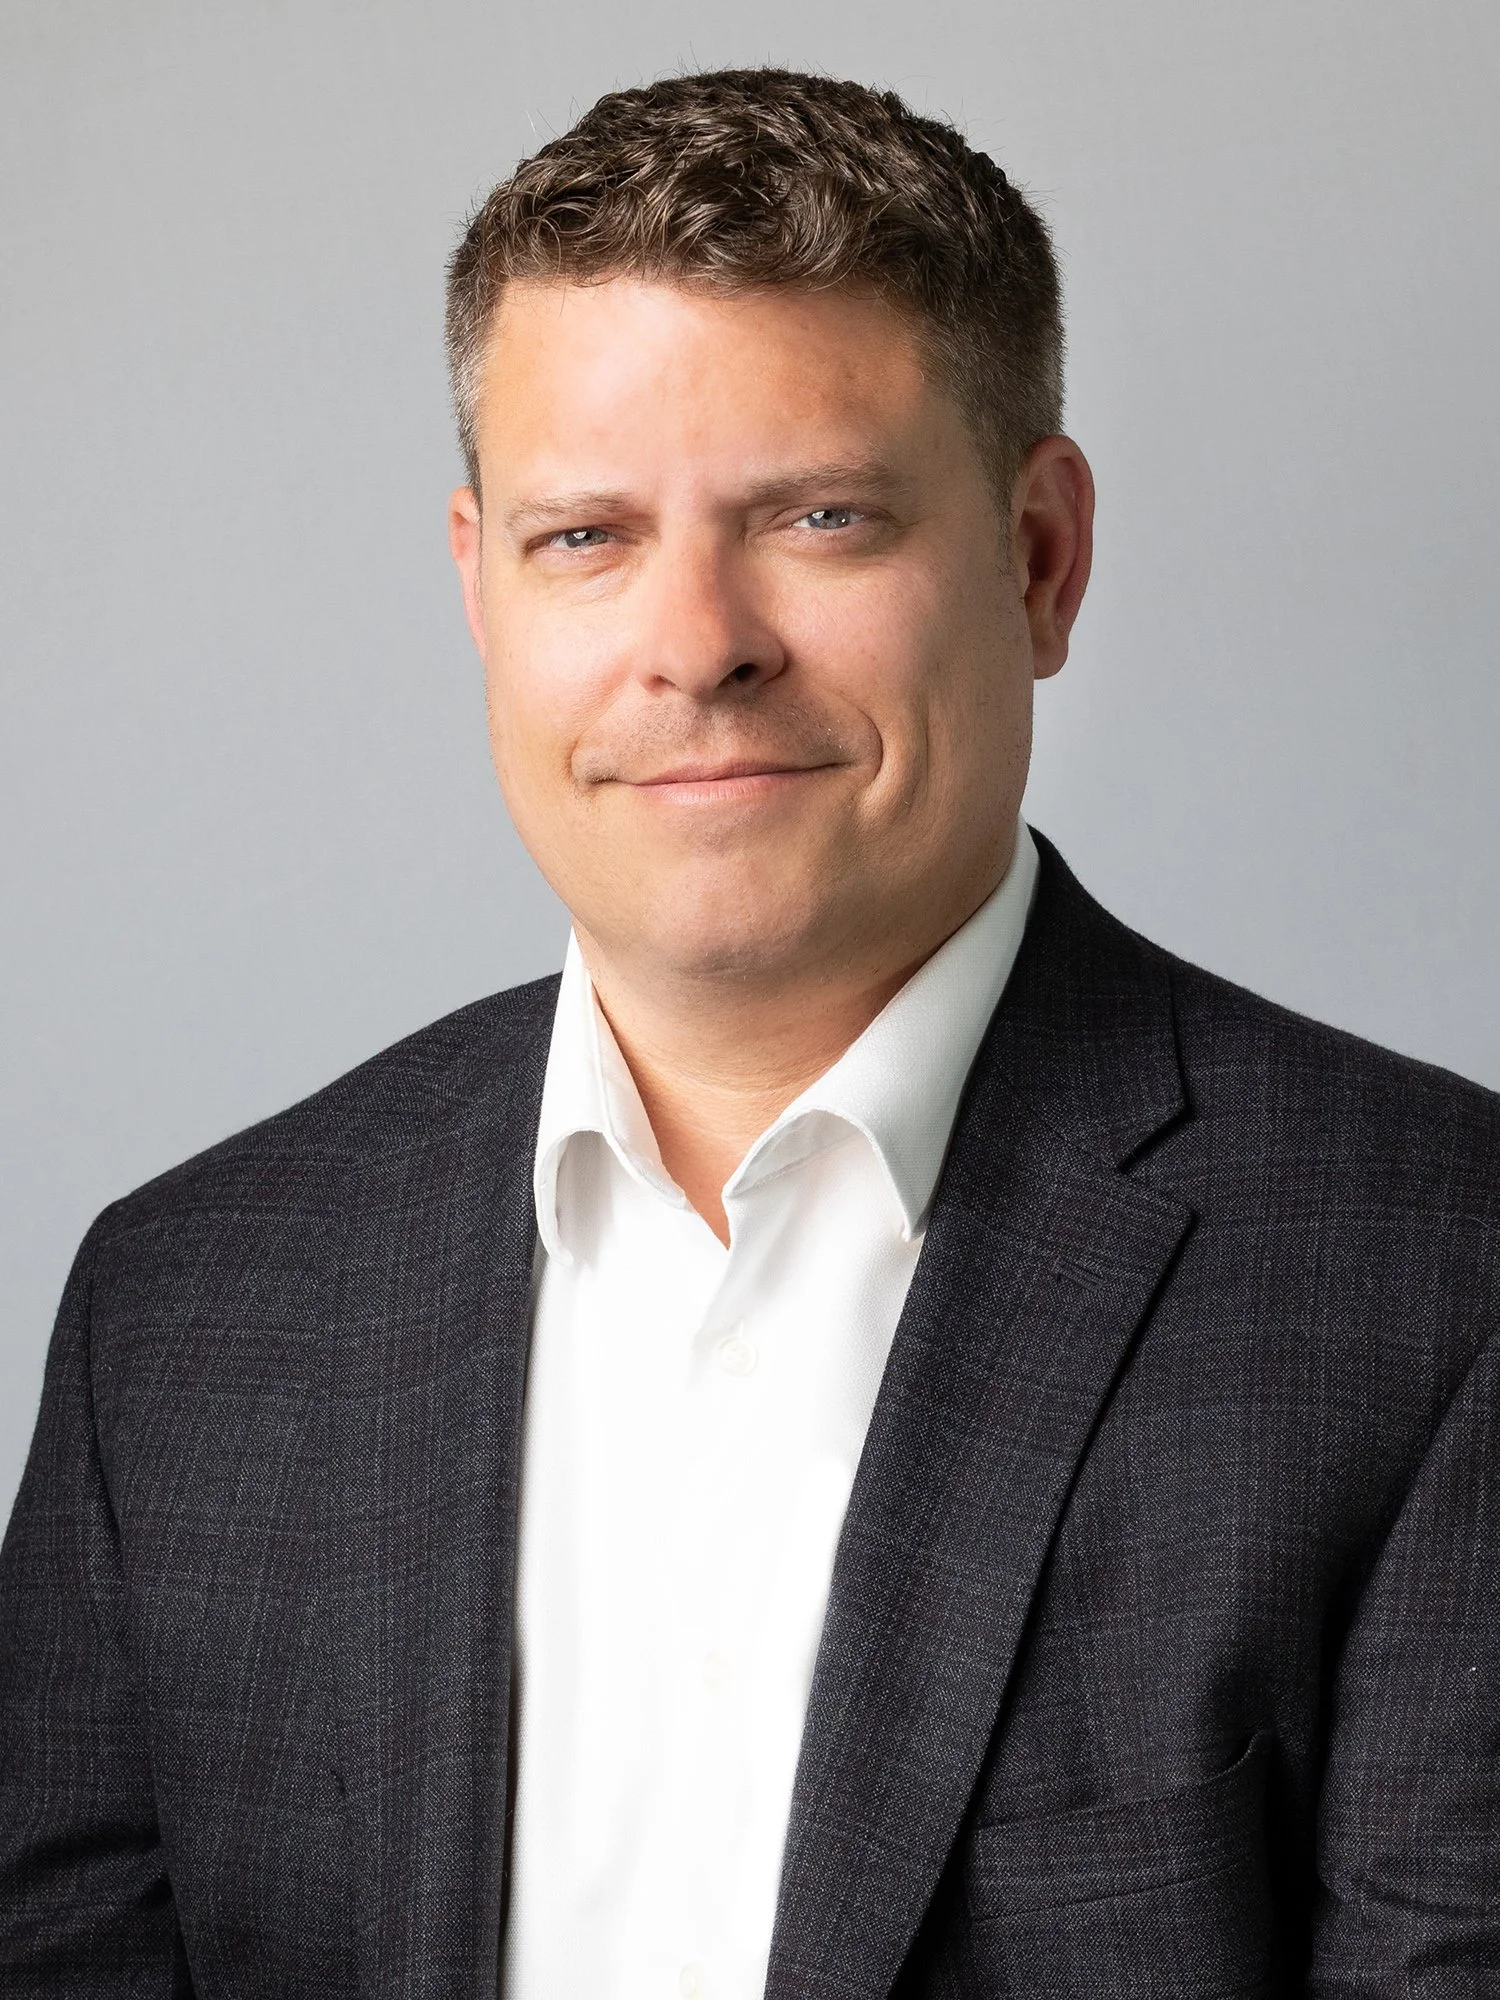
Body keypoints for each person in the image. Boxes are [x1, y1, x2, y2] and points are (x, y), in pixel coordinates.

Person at [1, 63, 1496, 1999]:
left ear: (1040, 557)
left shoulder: (1440, 1278)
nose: (697, 640)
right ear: (476, 583)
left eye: (818, 515)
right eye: (585, 537)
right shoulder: (185, 1306)